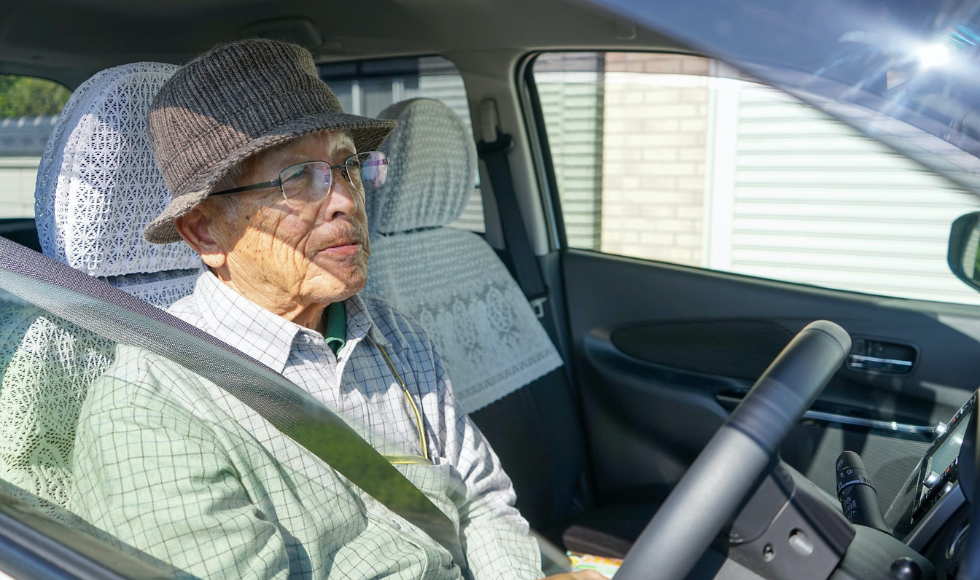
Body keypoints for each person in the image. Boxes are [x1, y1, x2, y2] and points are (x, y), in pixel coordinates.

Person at [70, 39, 604, 580]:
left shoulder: (397, 336)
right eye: (296, 178)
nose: (346, 199)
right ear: (205, 230)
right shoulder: (151, 410)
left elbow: (481, 500)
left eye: (348, 166)